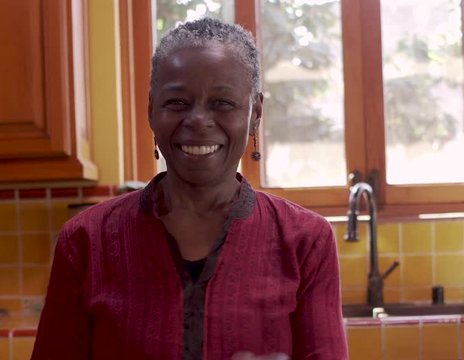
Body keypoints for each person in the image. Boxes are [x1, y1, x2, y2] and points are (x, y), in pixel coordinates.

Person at [32, 18, 347, 360]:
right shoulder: (85, 241)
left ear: (255, 113)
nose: (197, 120)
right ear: (152, 110)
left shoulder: (306, 241)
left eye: (222, 103)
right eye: (177, 103)